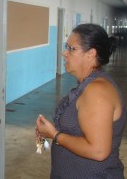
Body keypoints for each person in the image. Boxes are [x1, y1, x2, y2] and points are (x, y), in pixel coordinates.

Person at [35, 23, 127, 179]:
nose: (64, 53)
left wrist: (55, 135)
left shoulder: (97, 91)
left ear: (91, 54)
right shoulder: (88, 85)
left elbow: (98, 151)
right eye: (66, 47)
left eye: (72, 49)